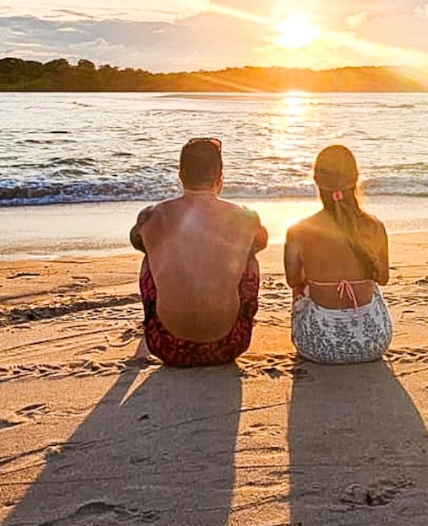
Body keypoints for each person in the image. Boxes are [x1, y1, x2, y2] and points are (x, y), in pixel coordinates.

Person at [130, 137, 268, 368]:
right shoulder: (246, 217)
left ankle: (154, 319)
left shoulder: (151, 216)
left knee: (150, 255)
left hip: (167, 346)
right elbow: (261, 243)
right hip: (229, 345)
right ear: (220, 177)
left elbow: (137, 242)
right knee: (249, 258)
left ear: (180, 175)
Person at [284, 144, 392, 364]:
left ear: (316, 180)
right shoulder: (375, 226)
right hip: (374, 342)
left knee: (301, 286)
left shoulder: (299, 230)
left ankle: (326, 317)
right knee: (372, 282)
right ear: (355, 179)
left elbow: (293, 281)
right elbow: (383, 277)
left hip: (319, 346)